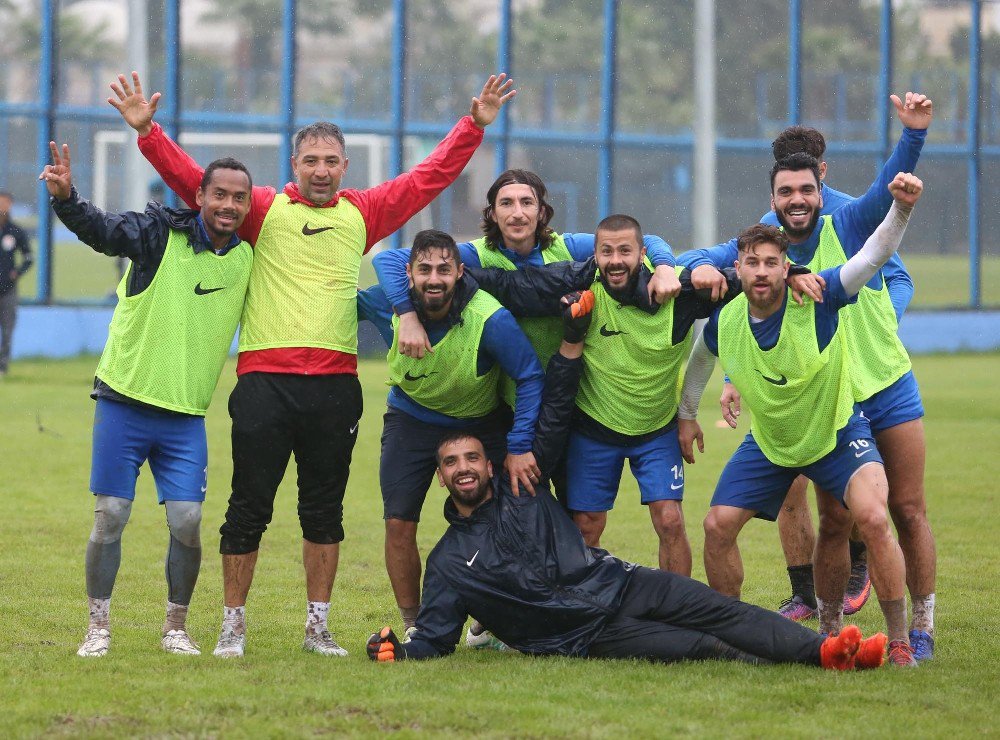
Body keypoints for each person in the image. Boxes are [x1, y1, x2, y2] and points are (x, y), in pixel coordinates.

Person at [109, 71, 516, 658]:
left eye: (330, 160)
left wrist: (472, 126)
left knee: (324, 509)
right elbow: (194, 181)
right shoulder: (264, 210)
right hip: (264, 385)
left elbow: (428, 178)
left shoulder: (363, 213)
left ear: (345, 166)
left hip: (334, 388)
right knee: (248, 506)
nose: (320, 169)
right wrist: (148, 133)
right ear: (292, 164)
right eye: (310, 160)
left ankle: (316, 627)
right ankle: (232, 625)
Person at [364, 299, 887, 669]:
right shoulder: (450, 562)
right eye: (453, 462)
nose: (464, 467)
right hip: (586, 632)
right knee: (700, 646)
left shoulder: (521, 484)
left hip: (619, 580)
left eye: (472, 457)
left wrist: (571, 342)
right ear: (441, 477)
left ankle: (825, 651)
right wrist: (397, 648)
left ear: (488, 462)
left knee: (716, 608)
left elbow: (554, 413)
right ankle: (815, 659)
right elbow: (434, 637)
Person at [679, 92, 936, 661]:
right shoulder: (766, 238)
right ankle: (819, 619)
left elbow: (885, 220)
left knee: (905, 509)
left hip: (879, 379)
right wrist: (686, 269)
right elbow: (724, 287)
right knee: (831, 516)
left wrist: (913, 138)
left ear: (822, 177)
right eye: (785, 191)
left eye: (807, 185)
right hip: (820, 387)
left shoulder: (844, 215)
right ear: (772, 194)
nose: (797, 200)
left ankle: (919, 626)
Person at [40, 141, 254, 657]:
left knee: (187, 520)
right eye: (219, 194)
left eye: (239, 198)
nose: (228, 205)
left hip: (184, 416)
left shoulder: (249, 258)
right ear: (199, 195)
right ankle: (98, 628)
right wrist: (68, 200)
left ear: (248, 206)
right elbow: (103, 231)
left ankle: (175, 628)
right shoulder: (159, 234)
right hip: (124, 401)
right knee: (111, 512)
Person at [467, 214, 766, 578]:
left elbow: (754, 282)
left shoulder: (679, 292)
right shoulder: (579, 282)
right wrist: (454, 274)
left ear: (643, 255)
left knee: (670, 520)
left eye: (625, 251)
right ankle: (584, 610)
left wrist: (796, 274)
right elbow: (515, 286)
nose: (615, 261)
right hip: (593, 430)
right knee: (587, 525)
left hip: (656, 431)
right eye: (606, 252)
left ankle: (678, 611)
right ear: (594, 256)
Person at [357, 229, 544, 633]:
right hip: (411, 419)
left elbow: (529, 375)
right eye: (424, 269)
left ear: (460, 272)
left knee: (511, 518)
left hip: (480, 421)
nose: (434, 278)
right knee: (398, 522)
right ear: (409, 275)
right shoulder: (387, 304)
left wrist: (518, 445)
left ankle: (491, 621)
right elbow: (332, 309)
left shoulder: (490, 318)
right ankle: (415, 623)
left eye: (444, 269)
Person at [0, 190, 33, 377]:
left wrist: (17, 273)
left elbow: (29, 257)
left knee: (7, 330)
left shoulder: (15, 231)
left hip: (8, 290)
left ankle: (2, 368)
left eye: (5, 203)